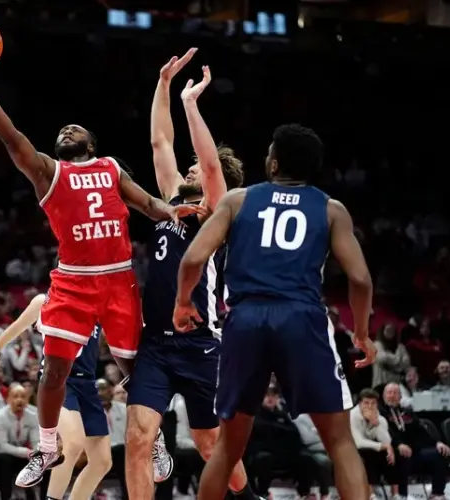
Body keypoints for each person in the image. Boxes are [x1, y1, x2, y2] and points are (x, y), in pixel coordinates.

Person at [0, 53, 202, 488]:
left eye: (75, 128)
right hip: (73, 282)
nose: (66, 129)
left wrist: (174, 211)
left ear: (91, 143)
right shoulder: (48, 171)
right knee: (53, 372)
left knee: (136, 373)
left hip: (119, 279)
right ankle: (47, 446)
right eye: (61, 129)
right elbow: (12, 138)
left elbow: (147, 203)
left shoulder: (110, 168)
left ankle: (155, 437)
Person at [174, 124, 376, 500]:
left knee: (227, 448)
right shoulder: (332, 210)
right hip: (301, 318)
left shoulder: (237, 200)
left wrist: (184, 302)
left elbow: (193, 259)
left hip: (245, 319)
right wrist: (361, 333)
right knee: (340, 443)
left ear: (273, 164)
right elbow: (361, 280)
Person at [126, 50, 250, 499]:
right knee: (138, 437)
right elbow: (161, 142)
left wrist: (191, 104)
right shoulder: (173, 197)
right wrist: (163, 86)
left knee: (208, 442)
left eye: (195, 164)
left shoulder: (219, 212)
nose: (191, 166)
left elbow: (213, 165)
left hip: (202, 346)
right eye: (192, 164)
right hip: (156, 343)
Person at [0, 294, 112, 500]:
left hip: (87, 384)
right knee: (73, 444)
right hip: (59, 381)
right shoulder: (45, 300)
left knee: (102, 462)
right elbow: (18, 326)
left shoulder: (98, 302)